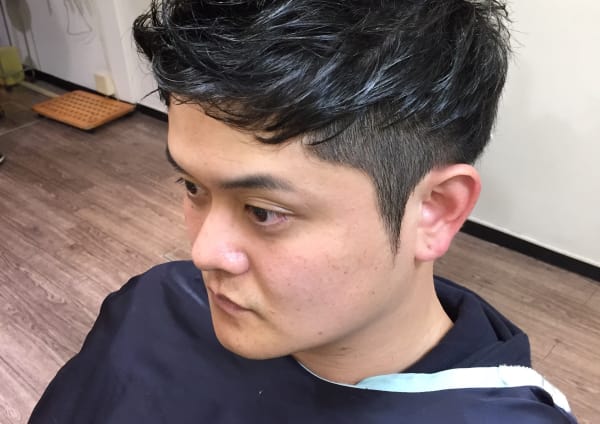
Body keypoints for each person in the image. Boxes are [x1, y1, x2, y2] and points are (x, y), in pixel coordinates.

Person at [29, 1, 577, 423]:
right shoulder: (153, 304)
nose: (202, 253)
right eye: (193, 186)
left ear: (433, 212)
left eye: (263, 212)